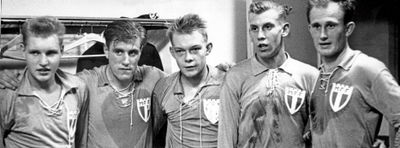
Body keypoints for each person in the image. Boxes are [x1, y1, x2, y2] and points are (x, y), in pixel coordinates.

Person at [0, 20, 165, 147]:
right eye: (118, 51)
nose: (126, 61)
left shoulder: (153, 76)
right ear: (106, 51)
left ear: (141, 52)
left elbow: (184, 83)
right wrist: (3, 76)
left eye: (133, 52)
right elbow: (43, 76)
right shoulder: (84, 83)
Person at [217, 1, 319, 147]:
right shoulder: (236, 76)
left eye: (267, 27)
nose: (260, 36)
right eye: (254, 28)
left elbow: (323, 131)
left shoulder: (309, 76)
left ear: (284, 29)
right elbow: (226, 137)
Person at [306, 0, 400, 147]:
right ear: (310, 29)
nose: (322, 35)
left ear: (348, 29)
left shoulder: (368, 69)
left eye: (331, 25)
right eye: (317, 26)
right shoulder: (317, 76)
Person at [0, 16, 89, 148]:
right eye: (35, 53)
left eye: (51, 53)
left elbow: (80, 142)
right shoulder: (8, 94)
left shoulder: (77, 88)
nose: (43, 62)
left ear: (62, 51)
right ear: (23, 50)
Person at [152, 14, 225, 147]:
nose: (188, 58)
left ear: (208, 49)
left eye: (195, 49)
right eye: (180, 51)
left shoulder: (228, 83)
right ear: (172, 52)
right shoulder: (163, 87)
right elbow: (154, 135)